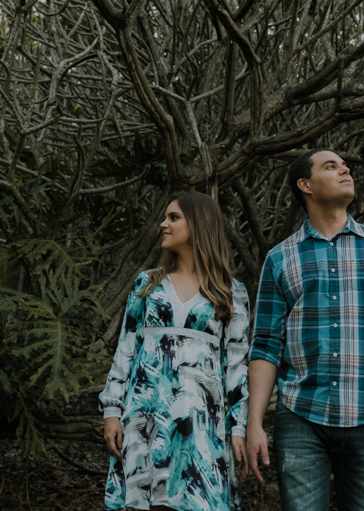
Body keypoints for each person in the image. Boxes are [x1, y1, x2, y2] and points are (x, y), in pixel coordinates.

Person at [245, 148, 364, 511]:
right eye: (331, 167)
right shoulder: (280, 258)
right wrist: (254, 424)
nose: (345, 170)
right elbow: (265, 344)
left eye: (345, 166)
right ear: (305, 185)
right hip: (300, 419)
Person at [99, 191, 250, 511]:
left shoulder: (230, 291)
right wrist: (111, 409)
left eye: (173, 217)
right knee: (147, 503)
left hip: (200, 424)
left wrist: (238, 427)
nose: (162, 224)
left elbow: (236, 366)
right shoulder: (146, 284)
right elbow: (125, 349)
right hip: (144, 415)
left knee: (197, 501)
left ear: (199, 223)